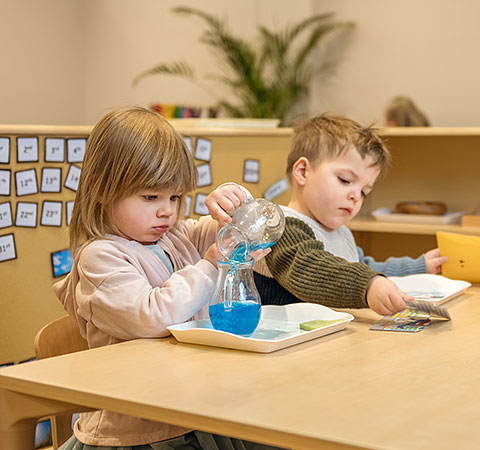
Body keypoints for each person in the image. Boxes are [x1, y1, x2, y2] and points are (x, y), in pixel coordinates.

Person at [53, 106, 280, 450]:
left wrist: (233, 201)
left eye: (174, 196)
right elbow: (151, 315)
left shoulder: (175, 235)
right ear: (102, 192)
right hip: (135, 433)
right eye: (150, 197)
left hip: (192, 413)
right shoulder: (100, 258)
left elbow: (227, 234)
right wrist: (210, 265)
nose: (167, 210)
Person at [207, 114, 446, 316]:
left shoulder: (340, 233)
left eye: (364, 191)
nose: (356, 197)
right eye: (345, 180)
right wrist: (368, 285)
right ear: (302, 171)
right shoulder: (281, 227)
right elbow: (310, 268)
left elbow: (360, 266)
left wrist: (418, 265)